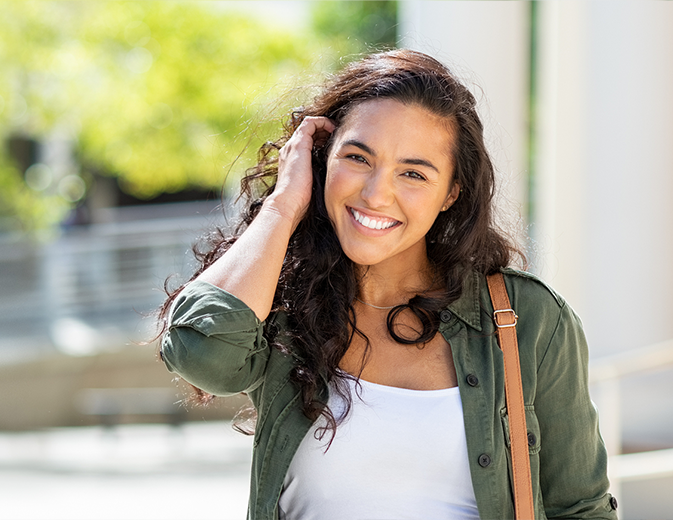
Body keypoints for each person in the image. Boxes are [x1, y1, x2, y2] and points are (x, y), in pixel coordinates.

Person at [158, 50, 617, 520]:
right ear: (322, 162)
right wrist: (283, 206)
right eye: (358, 157)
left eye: (414, 173)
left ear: (451, 193)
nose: (377, 194)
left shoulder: (528, 318)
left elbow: (581, 509)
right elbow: (200, 353)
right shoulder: (282, 302)